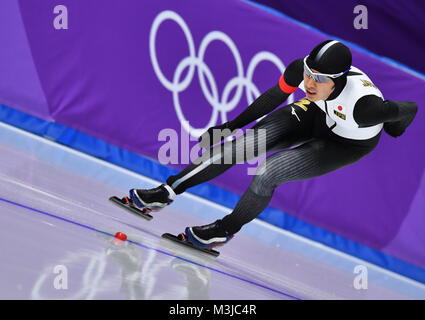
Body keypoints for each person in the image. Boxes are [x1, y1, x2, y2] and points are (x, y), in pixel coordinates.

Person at [129, 40, 418, 250]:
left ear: (338, 80)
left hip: (345, 143)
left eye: (318, 79)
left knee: (267, 172)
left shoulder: (365, 108)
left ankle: (224, 230)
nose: (308, 82)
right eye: (307, 73)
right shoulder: (303, 73)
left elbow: (411, 107)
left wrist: (395, 128)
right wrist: (229, 127)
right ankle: (166, 191)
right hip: (317, 113)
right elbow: (273, 96)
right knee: (238, 147)